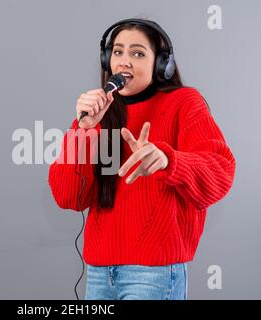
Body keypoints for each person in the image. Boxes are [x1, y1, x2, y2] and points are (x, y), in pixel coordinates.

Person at [48, 18, 236, 300]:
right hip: (99, 272)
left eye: (137, 53)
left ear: (162, 65)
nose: (124, 61)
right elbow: (68, 197)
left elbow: (221, 172)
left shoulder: (184, 103)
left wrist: (169, 160)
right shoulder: (100, 114)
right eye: (118, 52)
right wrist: (83, 131)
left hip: (154, 274)